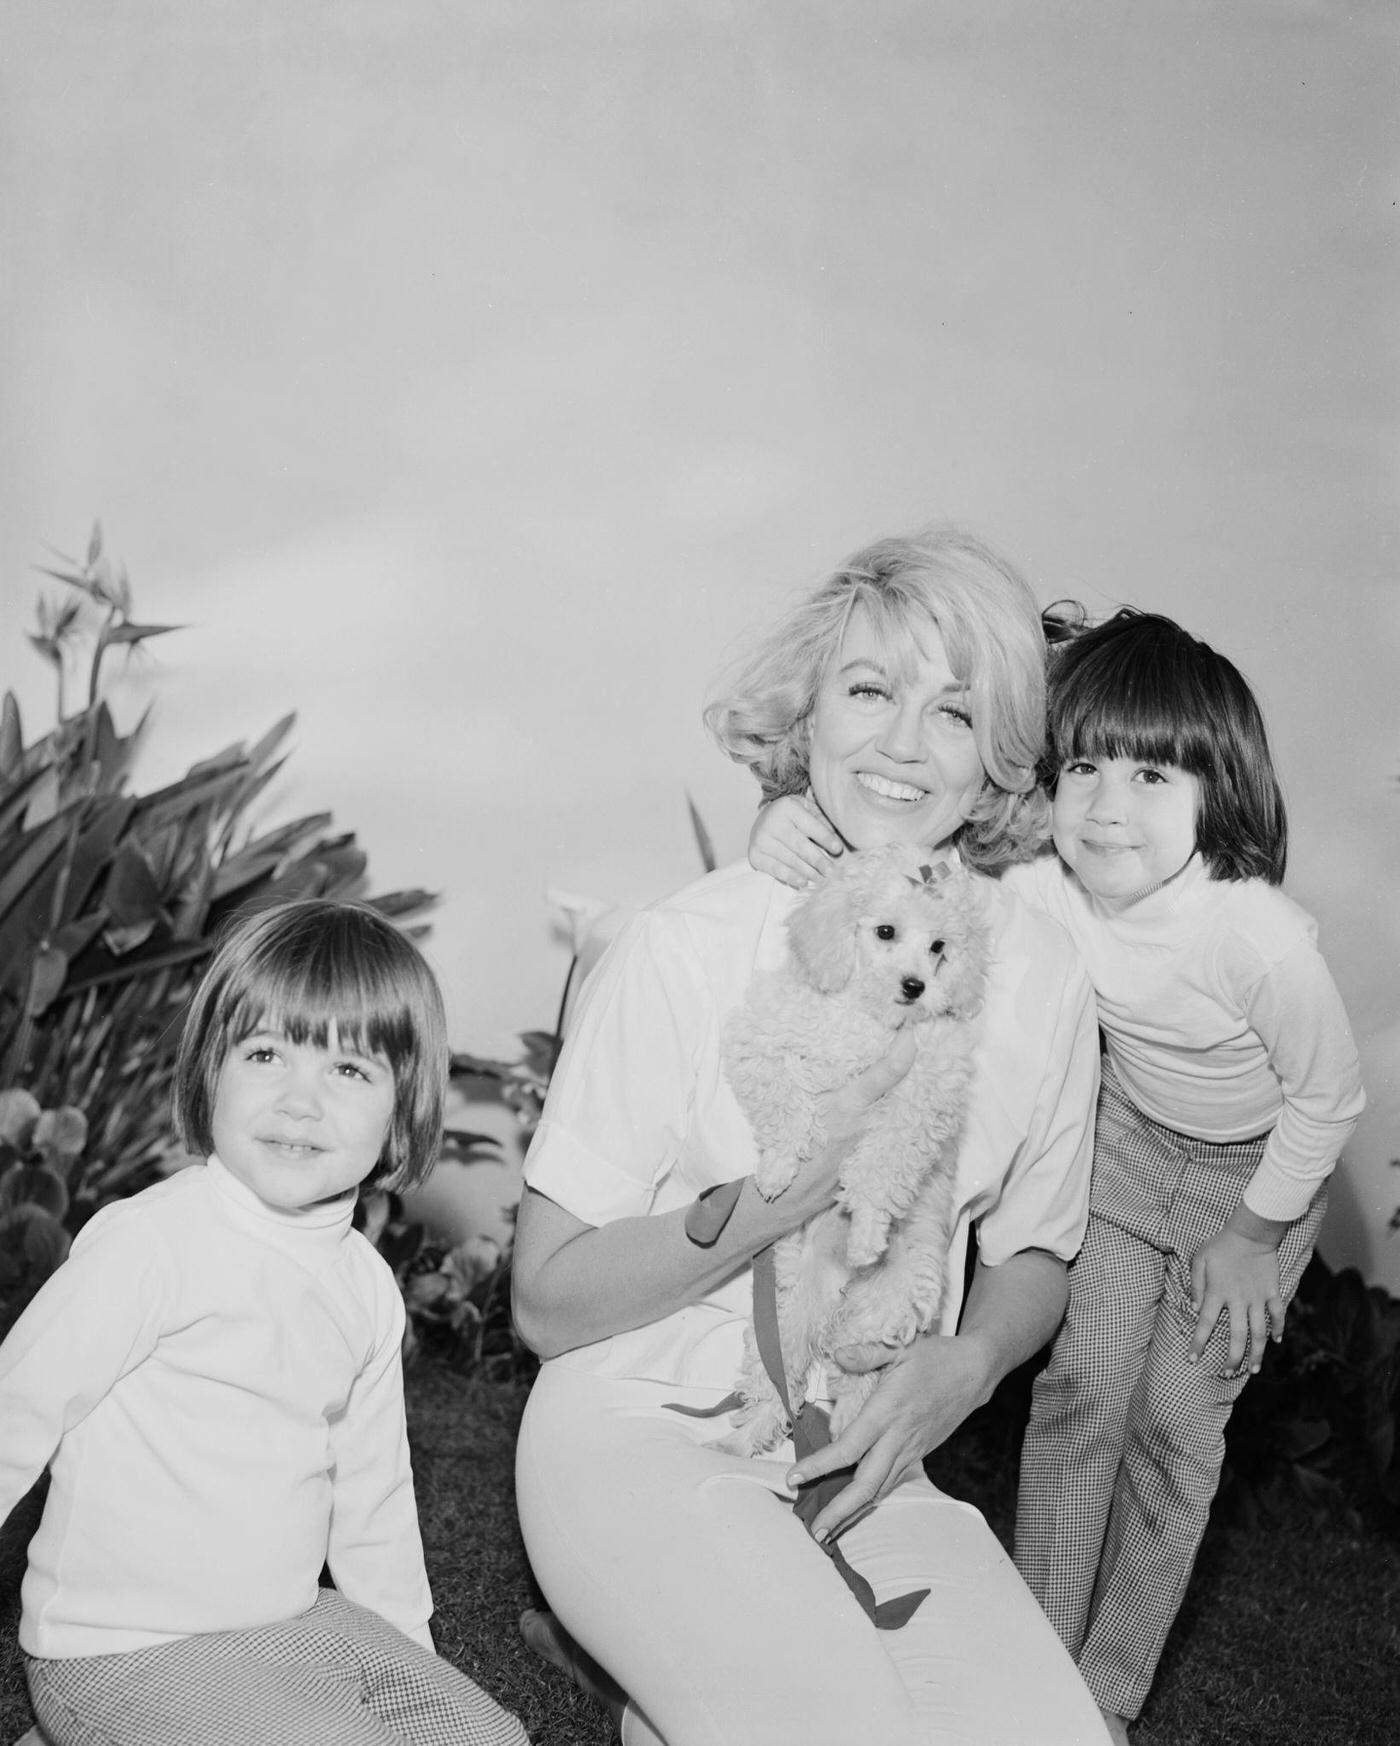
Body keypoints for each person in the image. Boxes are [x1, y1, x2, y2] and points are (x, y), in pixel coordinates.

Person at [511, 527, 1112, 1746]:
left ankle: (668, 1699)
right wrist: (782, 1195)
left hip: (869, 1452)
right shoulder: (684, 944)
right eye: (869, 691)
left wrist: (966, 1366)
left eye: (952, 715)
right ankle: (666, 1659)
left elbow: (1033, 1257)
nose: (900, 743)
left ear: (996, 758)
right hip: (639, 1425)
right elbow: (546, 1299)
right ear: (810, 711)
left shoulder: (1041, 971)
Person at [752, 609, 1365, 1744]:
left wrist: (1248, 1237)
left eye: (1149, 773)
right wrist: (790, 821)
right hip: (1129, 1152)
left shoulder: (1257, 940)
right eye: (1081, 766)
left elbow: (1327, 1099)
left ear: (1216, 786)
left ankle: (1106, 1695)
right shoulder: (1046, 886)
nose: (1106, 805)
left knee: (1176, 1433)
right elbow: (912, 875)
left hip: (1255, 1187)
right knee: (1080, 1395)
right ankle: (1032, 1667)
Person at [0, 900, 529, 1746]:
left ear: (403, 1111)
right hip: (120, 1649)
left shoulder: (363, 1285)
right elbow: (15, 1409)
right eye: (266, 1053)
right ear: (212, 1070)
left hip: (284, 1623)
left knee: (486, 1739)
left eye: (348, 1071)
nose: (298, 1100)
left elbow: (375, 1497)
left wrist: (410, 1670)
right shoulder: (152, 1242)